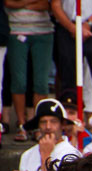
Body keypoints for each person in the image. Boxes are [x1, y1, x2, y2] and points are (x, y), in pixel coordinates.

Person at [12, 99, 80, 171]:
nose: (48, 127)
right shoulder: (27, 154)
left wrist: (45, 156)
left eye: (53, 121)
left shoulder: (72, 155)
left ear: (62, 124)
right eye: (43, 122)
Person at [51, 0, 92, 114]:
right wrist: (72, 28)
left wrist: (87, 25)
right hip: (67, 26)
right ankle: (69, 118)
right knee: (67, 76)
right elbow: (55, 5)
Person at [6, 0, 53, 142]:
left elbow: (47, 5)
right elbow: (8, 2)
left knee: (41, 83)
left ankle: (38, 125)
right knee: (19, 81)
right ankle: (22, 125)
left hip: (44, 32)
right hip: (16, 31)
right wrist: (33, 2)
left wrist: (22, 3)